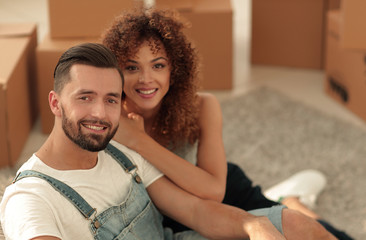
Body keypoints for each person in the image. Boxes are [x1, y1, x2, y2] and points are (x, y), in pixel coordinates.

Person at [0, 42, 337, 240]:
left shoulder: (117, 147)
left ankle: (289, 205)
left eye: (111, 99)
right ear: (55, 103)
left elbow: (193, 208)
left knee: (293, 225)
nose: (100, 114)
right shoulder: (29, 199)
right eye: (85, 97)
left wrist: (253, 223)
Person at [102, 8, 353, 240]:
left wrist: (140, 141)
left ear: (174, 69)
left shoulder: (202, 106)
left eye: (158, 65)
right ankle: (292, 202)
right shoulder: (111, 122)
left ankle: (291, 202)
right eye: (131, 67)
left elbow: (214, 191)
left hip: (228, 195)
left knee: (313, 231)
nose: (146, 79)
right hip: (180, 216)